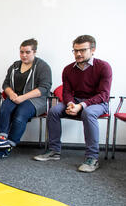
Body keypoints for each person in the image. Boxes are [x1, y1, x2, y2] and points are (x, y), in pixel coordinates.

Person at [34, 35, 112, 172]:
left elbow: (103, 95)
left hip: (98, 103)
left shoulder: (103, 67)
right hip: (75, 101)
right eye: (75, 50)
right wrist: (70, 103)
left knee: (88, 113)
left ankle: (92, 158)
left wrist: (81, 106)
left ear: (93, 50)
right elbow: (67, 92)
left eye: (82, 50)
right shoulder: (68, 69)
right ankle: (54, 151)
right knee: (53, 111)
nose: (78, 54)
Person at [0, 38, 52, 158]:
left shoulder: (43, 67)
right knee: (5, 107)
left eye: (27, 52)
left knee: (20, 113)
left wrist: (23, 98)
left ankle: (9, 145)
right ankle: (1, 139)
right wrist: (11, 93)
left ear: (34, 52)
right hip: (15, 97)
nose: (24, 55)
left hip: (35, 100)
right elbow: (5, 84)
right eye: (21, 52)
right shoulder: (15, 66)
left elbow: (44, 88)